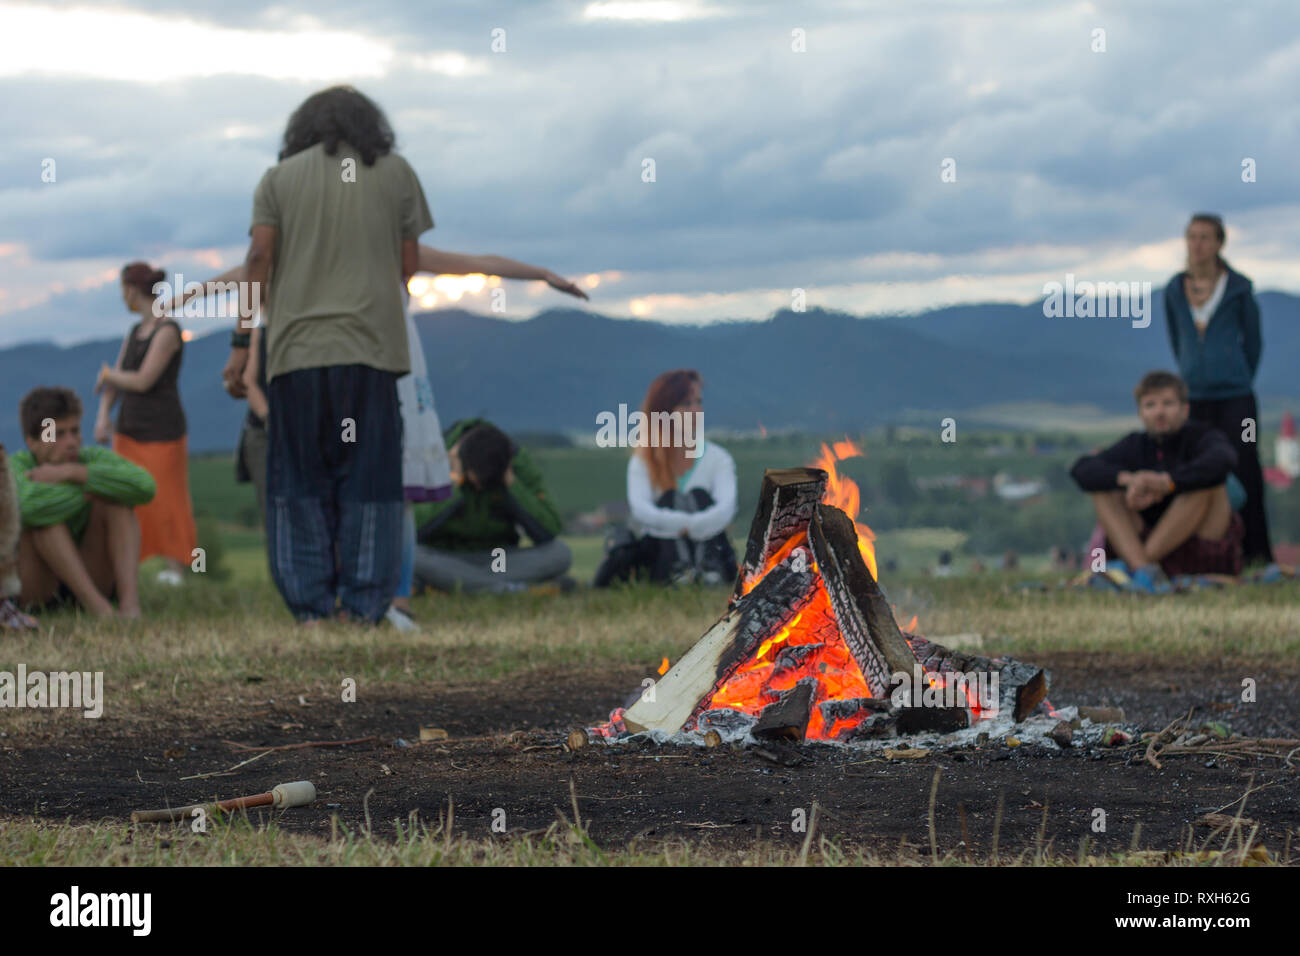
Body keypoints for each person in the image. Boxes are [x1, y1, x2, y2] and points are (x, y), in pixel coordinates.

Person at [229, 85, 434, 624]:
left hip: (295, 355)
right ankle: (363, 608)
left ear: (301, 129)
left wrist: (240, 341)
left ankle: (312, 609)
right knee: (370, 485)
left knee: (298, 485)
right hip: (370, 354)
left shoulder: (277, 179)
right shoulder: (396, 173)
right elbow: (407, 263)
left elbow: (258, 259)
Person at [1164, 213, 1272, 565]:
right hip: (1194, 398)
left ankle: (1257, 553)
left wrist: (1237, 376)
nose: (1197, 245)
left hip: (1237, 399)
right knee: (1198, 470)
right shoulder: (1174, 290)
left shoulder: (1239, 289)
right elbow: (1176, 338)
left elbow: (1253, 343)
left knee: (1246, 467)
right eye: (1192, 237)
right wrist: (1189, 372)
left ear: (1219, 243)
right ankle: (1203, 552)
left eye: (1205, 238)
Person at [1070, 371, 1243, 590]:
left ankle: (1141, 569)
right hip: (1144, 535)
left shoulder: (1202, 437)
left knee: (1210, 484)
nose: (1159, 412)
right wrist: (1130, 481)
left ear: (1184, 409)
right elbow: (1082, 469)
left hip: (1200, 537)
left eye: (1168, 403)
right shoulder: (1134, 445)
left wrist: (1168, 483)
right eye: (1150, 405)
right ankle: (1145, 570)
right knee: (1103, 490)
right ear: (1141, 413)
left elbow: (1224, 459)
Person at [9, 387, 156, 617]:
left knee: (116, 504)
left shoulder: (89, 460)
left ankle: (130, 607)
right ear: (32, 442)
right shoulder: (16, 467)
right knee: (44, 519)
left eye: (74, 431)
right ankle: (101, 611)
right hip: (39, 586)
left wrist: (76, 474)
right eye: (57, 434)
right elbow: (27, 507)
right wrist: (89, 491)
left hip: (93, 571)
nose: (71, 442)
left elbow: (145, 486)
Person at [93, 262, 197, 586]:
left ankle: (175, 569)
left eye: (123, 290)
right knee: (127, 496)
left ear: (131, 291)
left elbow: (142, 380)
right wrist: (102, 416)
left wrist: (109, 374)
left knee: (167, 498)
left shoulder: (168, 330)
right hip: (128, 429)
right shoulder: (135, 332)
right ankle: (125, 567)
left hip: (163, 430)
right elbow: (119, 381)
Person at [594, 369, 738, 587]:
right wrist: (686, 524)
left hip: (709, 543)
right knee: (670, 498)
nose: (695, 411)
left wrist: (687, 525)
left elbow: (726, 508)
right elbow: (641, 510)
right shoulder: (643, 460)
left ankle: (705, 568)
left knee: (698, 496)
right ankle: (678, 570)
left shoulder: (718, 459)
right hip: (661, 551)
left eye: (698, 403)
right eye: (686, 405)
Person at [411, 419, 570, 594]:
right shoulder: (433, 457)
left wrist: (512, 485)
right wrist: (454, 485)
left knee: (560, 553)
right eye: (476, 482)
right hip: (445, 555)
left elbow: (549, 528)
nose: (480, 488)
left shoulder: (517, 461)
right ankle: (507, 588)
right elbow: (412, 528)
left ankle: (463, 585)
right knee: (411, 556)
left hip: (498, 558)